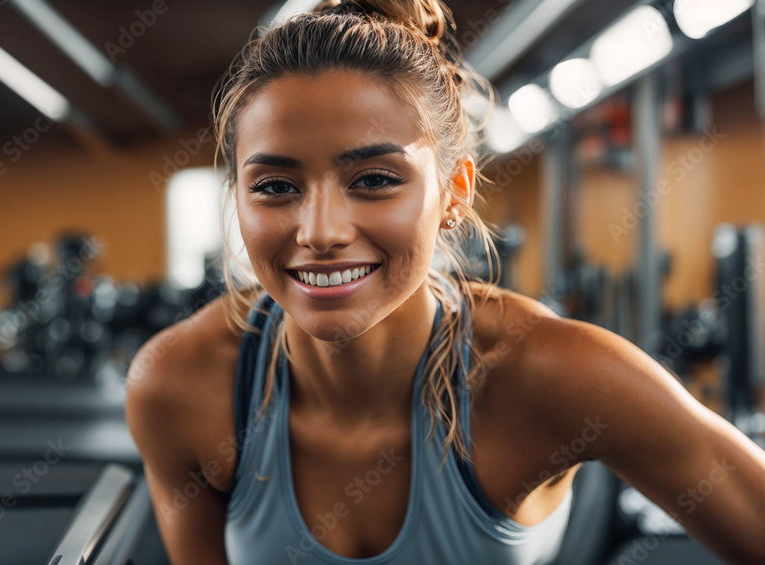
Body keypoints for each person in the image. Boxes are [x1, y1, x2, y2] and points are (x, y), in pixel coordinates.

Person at [125, 1, 765, 563]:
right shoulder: (179, 385)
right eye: (275, 187)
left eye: (374, 179)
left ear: (453, 194)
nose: (319, 231)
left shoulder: (557, 376)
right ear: (238, 199)